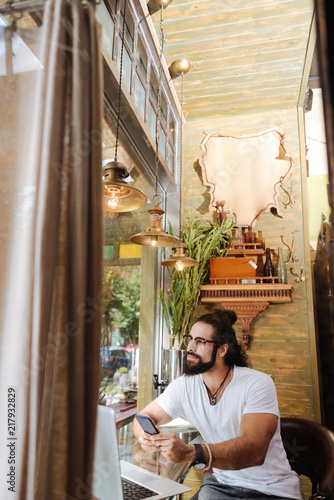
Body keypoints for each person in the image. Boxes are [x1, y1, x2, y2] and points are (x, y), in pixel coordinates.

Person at [132, 309, 304, 500]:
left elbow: (254, 451)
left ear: (222, 350)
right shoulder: (184, 386)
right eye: (190, 338)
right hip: (221, 485)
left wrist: (192, 453)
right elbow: (143, 417)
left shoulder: (257, 383)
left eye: (200, 341)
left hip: (270, 490)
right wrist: (145, 436)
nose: (190, 347)